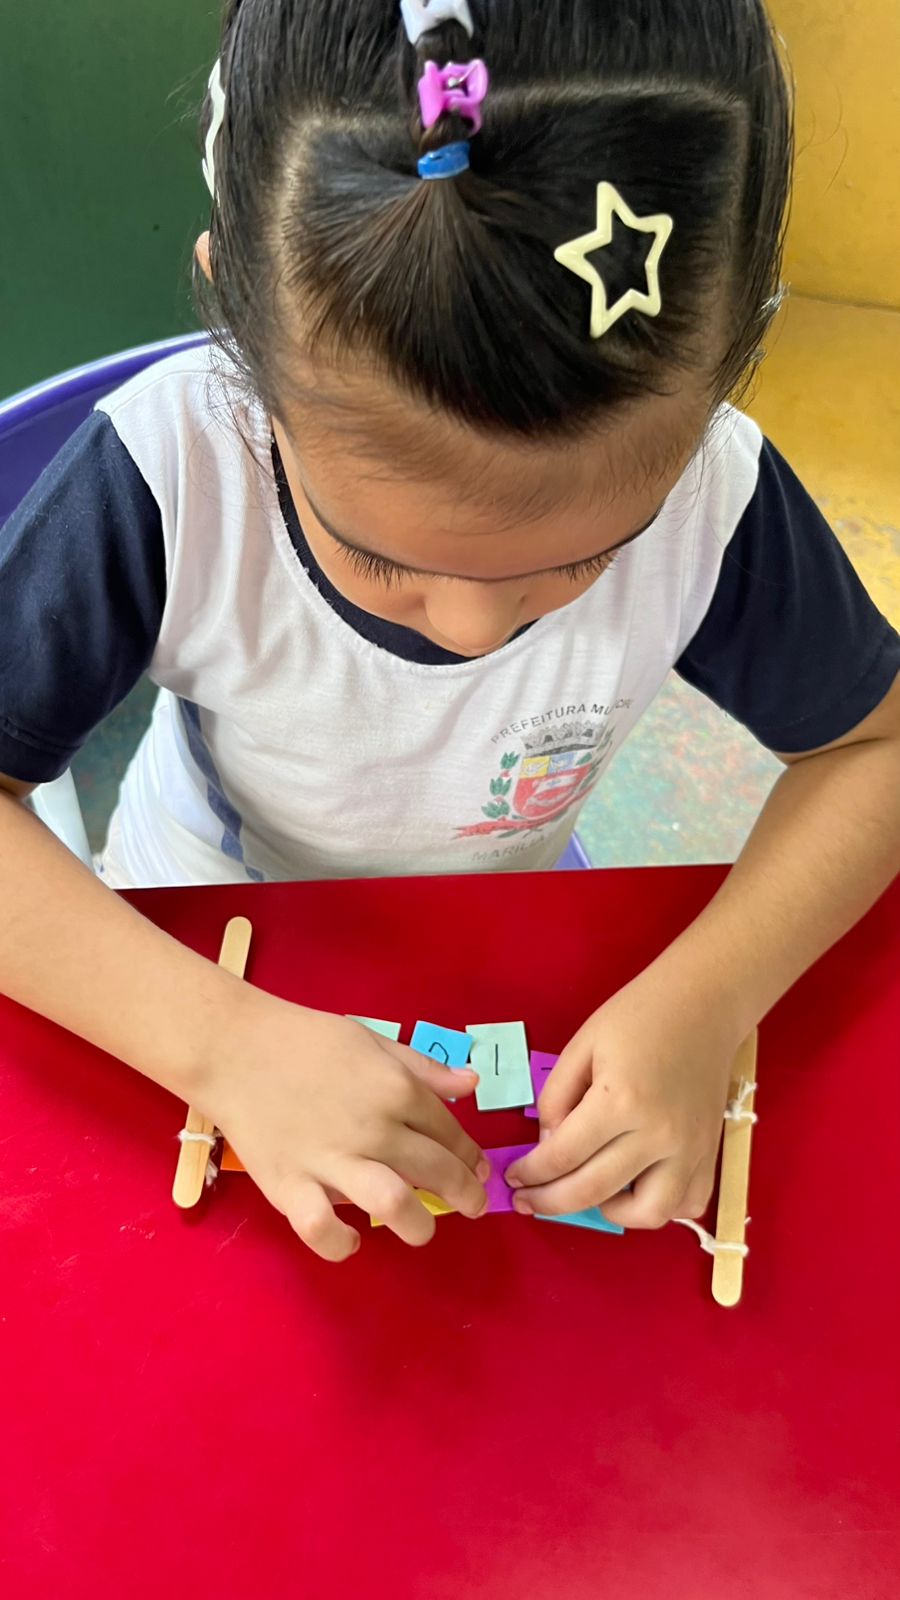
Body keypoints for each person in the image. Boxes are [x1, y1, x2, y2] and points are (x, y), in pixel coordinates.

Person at [1, 0, 898, 1260]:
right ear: (239, 344)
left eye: (585, 558)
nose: (477, 632)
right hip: (199, 949)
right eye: (380, 557)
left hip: (504, 947)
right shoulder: (171, 476)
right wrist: (218, 1042)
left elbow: (875, 749)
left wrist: (709, 998)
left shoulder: (715, 495)